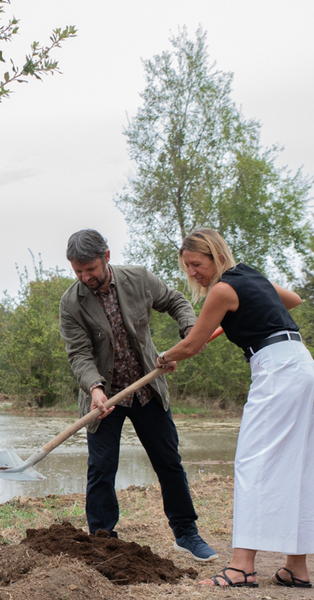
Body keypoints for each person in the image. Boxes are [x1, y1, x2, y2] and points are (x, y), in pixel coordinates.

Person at [158, 228, 314, 589]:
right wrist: (239, 318)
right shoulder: (252, 277)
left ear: (216, 256)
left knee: (253, 464)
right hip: (302, 365)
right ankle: (296, 568)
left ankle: (240, 568)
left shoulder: (222, 290)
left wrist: (165, 358)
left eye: (196, 264)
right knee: (297, 464)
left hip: (278, 371)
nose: (192, 273)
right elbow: (293, 299)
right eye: (187, 267)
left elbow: (190, 346)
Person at [59, 229, 217, 562]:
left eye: (90, 269)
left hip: (148, 389)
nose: (85, 277)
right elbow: (79, 354)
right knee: (101, 468)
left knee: (169, 463)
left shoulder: (139, 279)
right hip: (105, 399)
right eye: (78, 271)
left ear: (107, 256)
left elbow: (175, 301)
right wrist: (95, 388)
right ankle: (103, 540)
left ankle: (187, 534)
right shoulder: (71, 303)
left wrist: (190, 330)